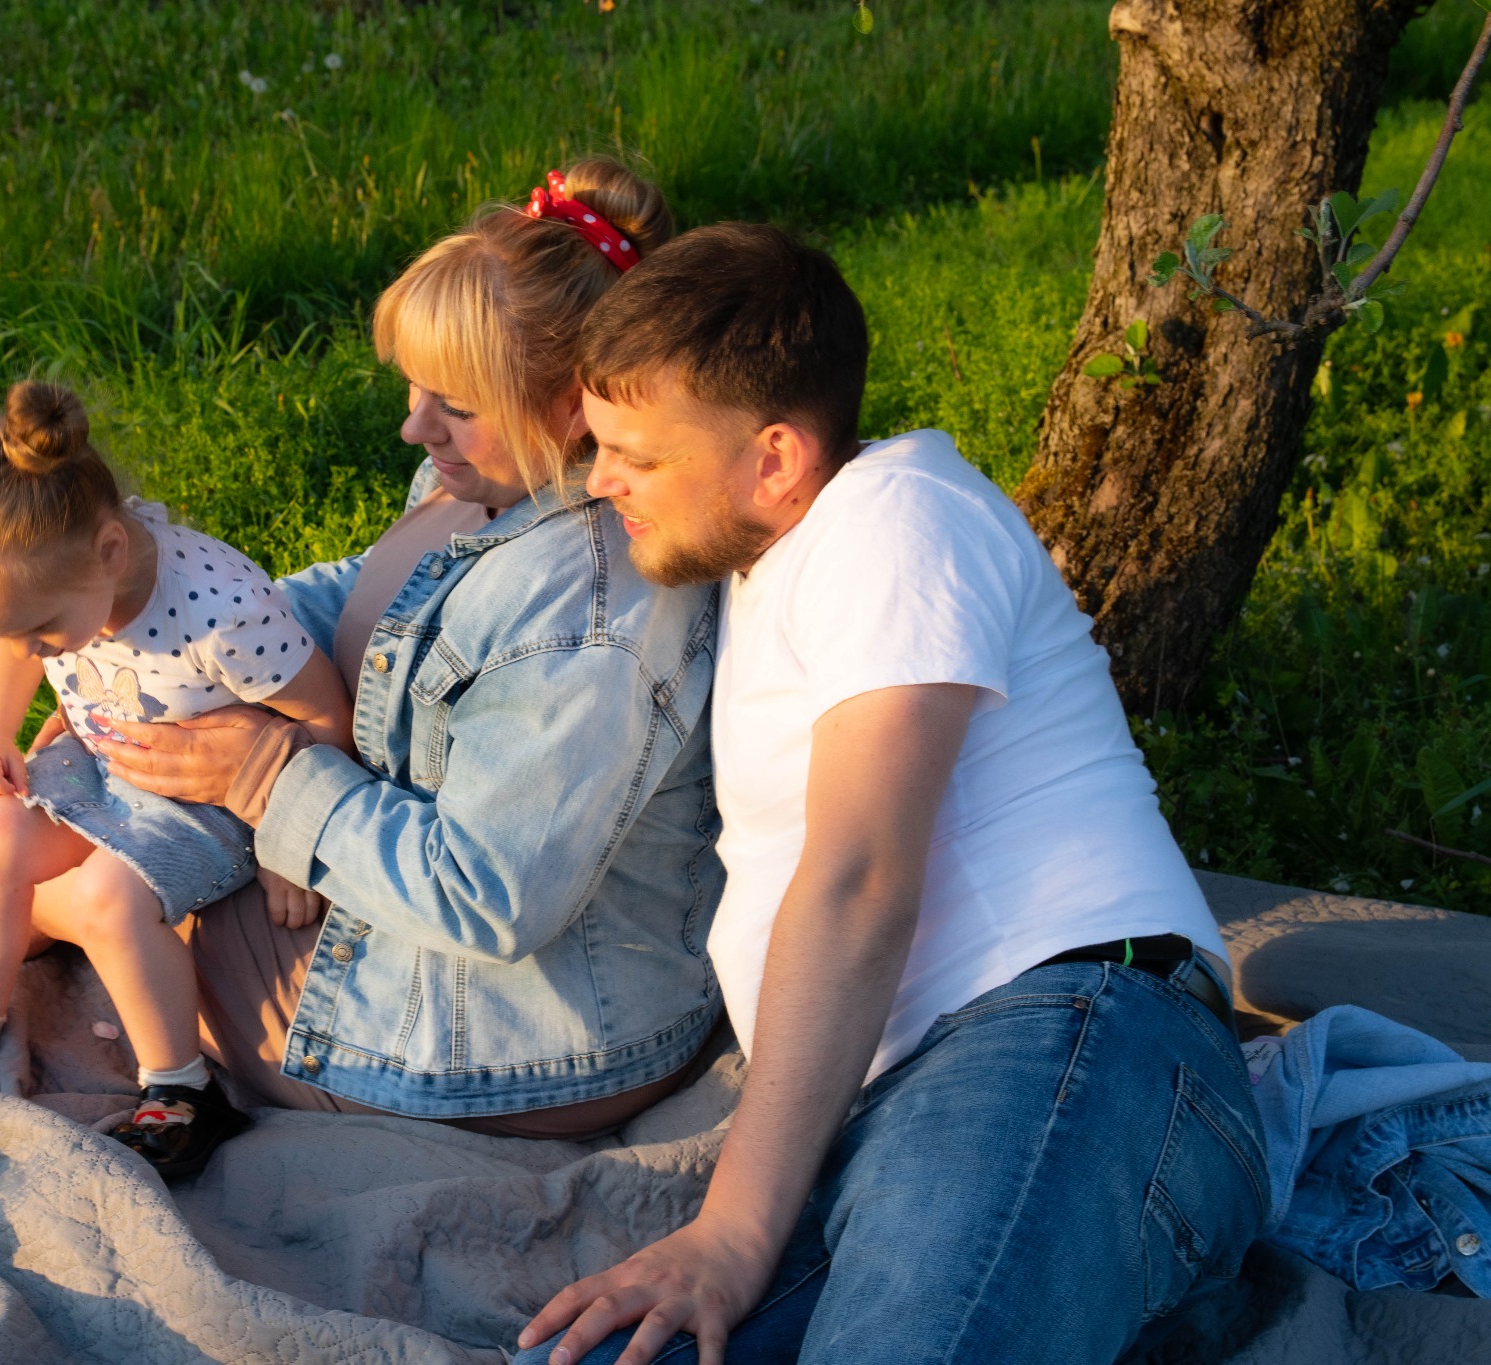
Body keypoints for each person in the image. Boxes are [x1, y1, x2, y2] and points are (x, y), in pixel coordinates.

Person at [0, 159, 726, 1144]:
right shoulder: (485, 478)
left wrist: (270, 775)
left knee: (75, 857)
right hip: (418, 940)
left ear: (573, 405)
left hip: (487, 1025)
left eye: (453, 406)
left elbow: (488, 898)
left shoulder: (592, 611)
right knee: (73, 787)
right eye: (413, 393)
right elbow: (374, 597)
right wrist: (155, 647)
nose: (412, 430)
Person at [516, 223, 1267, 1364]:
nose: (597, 478)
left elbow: (860, 879)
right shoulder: (771, 560)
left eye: (634, 455)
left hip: (1068, 1031)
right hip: (881, 1107)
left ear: (773, 458)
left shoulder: (897, 519)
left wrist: (730, 1230)